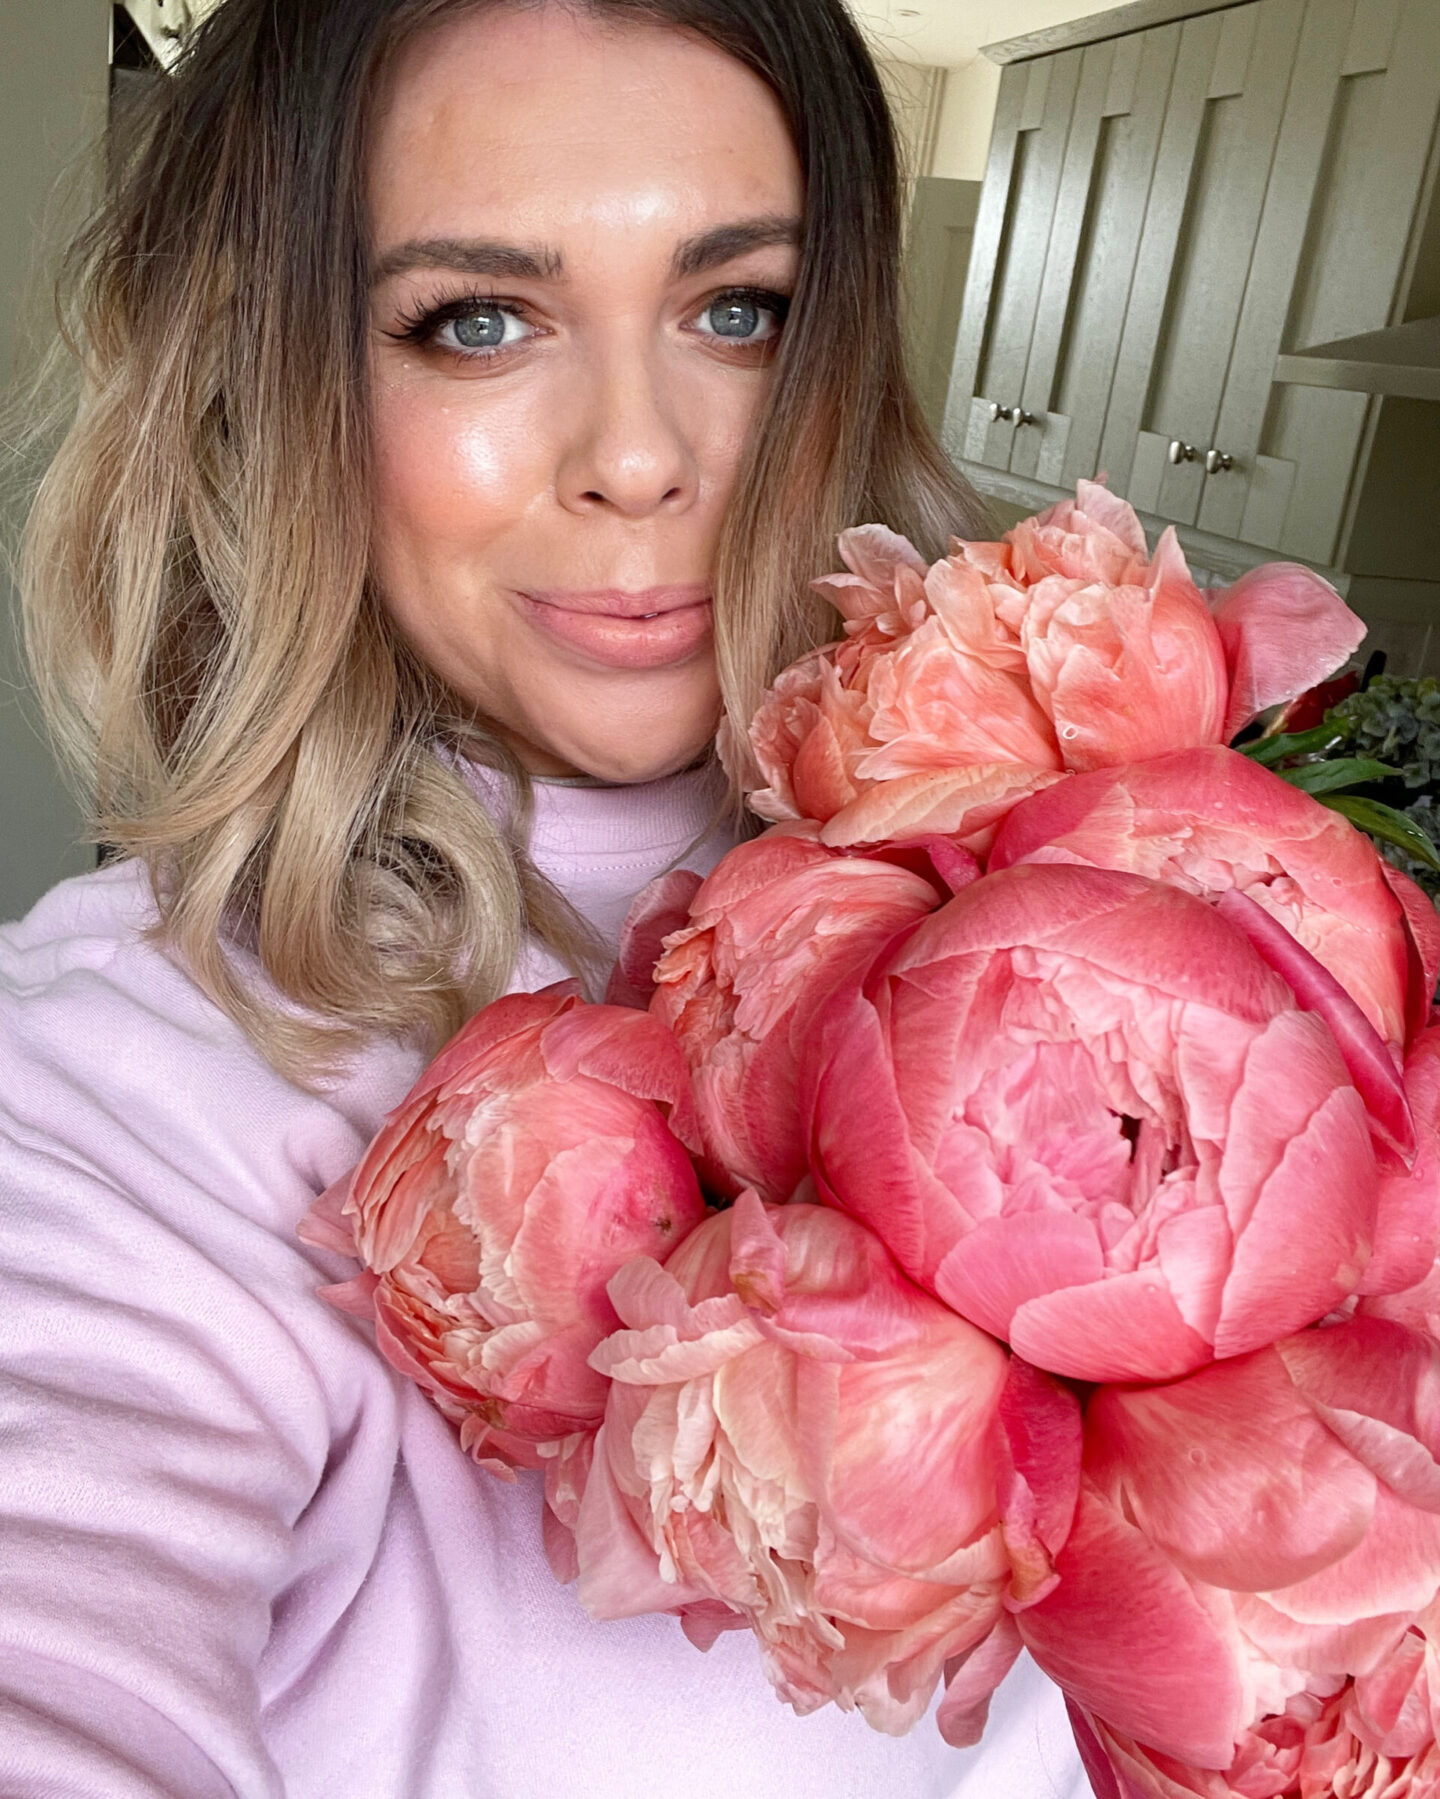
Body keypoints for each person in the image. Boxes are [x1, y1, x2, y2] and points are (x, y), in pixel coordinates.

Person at [0, 1, 1089, 1793]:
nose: (641, 456)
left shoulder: (1098, 889)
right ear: (273, 380)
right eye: (478, 321)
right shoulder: (119, 1095)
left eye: (738, 309)